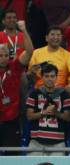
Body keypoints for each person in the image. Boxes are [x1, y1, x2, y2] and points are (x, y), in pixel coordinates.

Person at [25, 63, 70, 156]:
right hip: (36, 143)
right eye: (46, 76)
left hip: (58, 143)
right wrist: (44, 112)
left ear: (56, 77)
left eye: (52, 76)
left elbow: (67, 117)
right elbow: (29, 116)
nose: (50, 79)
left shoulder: (64, 94)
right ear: (42, 77)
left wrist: (55, 112)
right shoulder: (34, 94)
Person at [0, 20, 32, 150]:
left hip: (11, 120)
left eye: (6, 55)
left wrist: (23, 30)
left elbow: (29, 52)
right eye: (0, 55)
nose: (4, 58)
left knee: (12, 156)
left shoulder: (15, 67)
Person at [28, 26, 70, 91]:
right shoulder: (36, 53)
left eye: (58, 35)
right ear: (46, 38)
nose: (55, 37)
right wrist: (31, 72)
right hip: (39, 91)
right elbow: (29, 76)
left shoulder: (68, 55)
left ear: (61, 38)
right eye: (52, 35)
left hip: (59, 92)